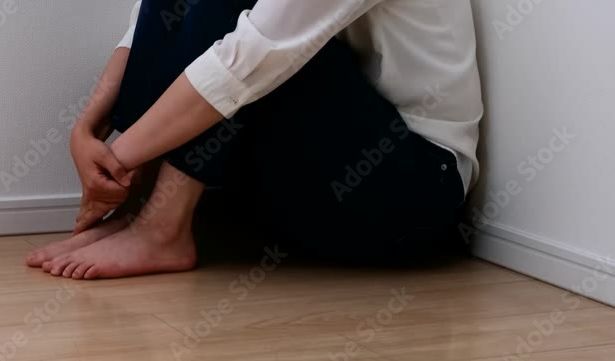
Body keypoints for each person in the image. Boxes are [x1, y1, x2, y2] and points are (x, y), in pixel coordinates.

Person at [26, 0, 484, 280]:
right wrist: (88, 128)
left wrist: (117, 160)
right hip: (328, 171)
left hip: (412, 192)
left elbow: (254, 55)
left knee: (246, 34)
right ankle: (142, 212)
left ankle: (162, 230)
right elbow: (151, 21)